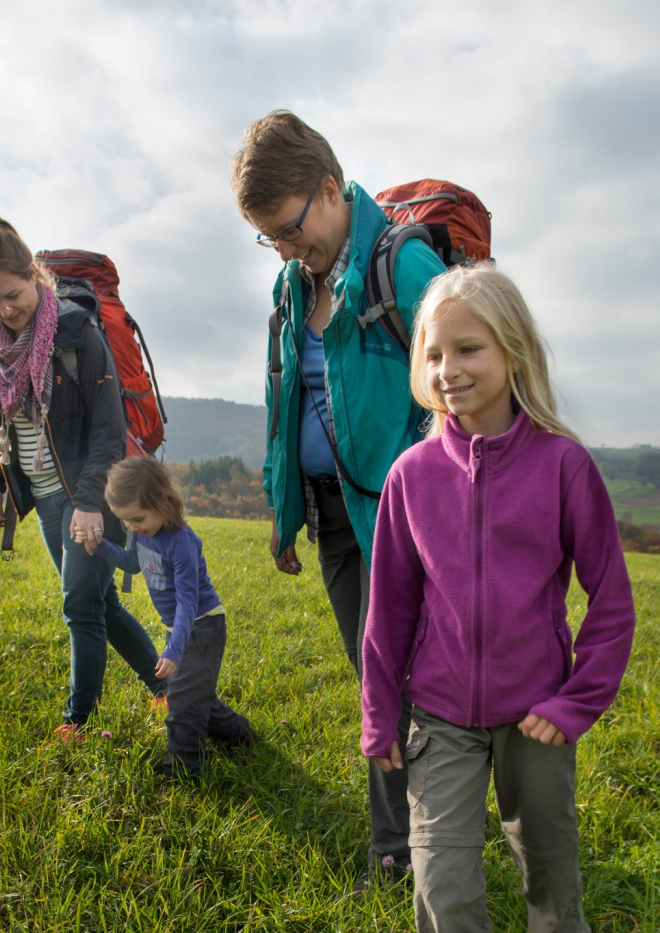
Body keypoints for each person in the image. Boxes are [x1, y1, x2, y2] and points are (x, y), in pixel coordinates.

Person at [360, 263, 636, 933]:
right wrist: (379, 716)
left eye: (468, 348)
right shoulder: (410, 476)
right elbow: (388, 611)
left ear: (512, 351)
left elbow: (610, 602)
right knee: (442, 880)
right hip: (438, 714)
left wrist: (573, 701)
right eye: (433, 353)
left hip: (535, 713)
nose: (448, 370)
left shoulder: (564, 467)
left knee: (544, 848)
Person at [231, 111, 446, 893]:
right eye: (268, 239)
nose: (284, 251)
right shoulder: (293, 287)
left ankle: (402, 851)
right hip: (330, 515)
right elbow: (282, 399)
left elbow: (465, 390)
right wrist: (283, 506)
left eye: (289, 230)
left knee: (386, 679)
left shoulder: (404, 266)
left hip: (400, 518)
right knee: (375, 674)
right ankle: (430, 820)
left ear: (329, 189)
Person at [0, 217, 165, 739]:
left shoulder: (77, 332)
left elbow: (108, 427)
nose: (5, 310)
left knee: (80, 605)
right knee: (99, 602)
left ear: (33, 275)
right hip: (43, 495)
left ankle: (78, 721)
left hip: (88, 494)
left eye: (12, 295)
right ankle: (169, 686)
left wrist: (89, 502)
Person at [92, 456, 252, 777]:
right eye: (126, 521)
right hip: (178, 628)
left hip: (202, 626)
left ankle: (182, 770)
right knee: (194, 694)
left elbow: (188, 603)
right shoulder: (142, 533)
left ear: (163, 502)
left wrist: (174, 650)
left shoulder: (181, 542)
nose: (133, 527)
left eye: (138, 518)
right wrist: (100, 546)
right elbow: (133, 563)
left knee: (180, 701)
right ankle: (239, 733)